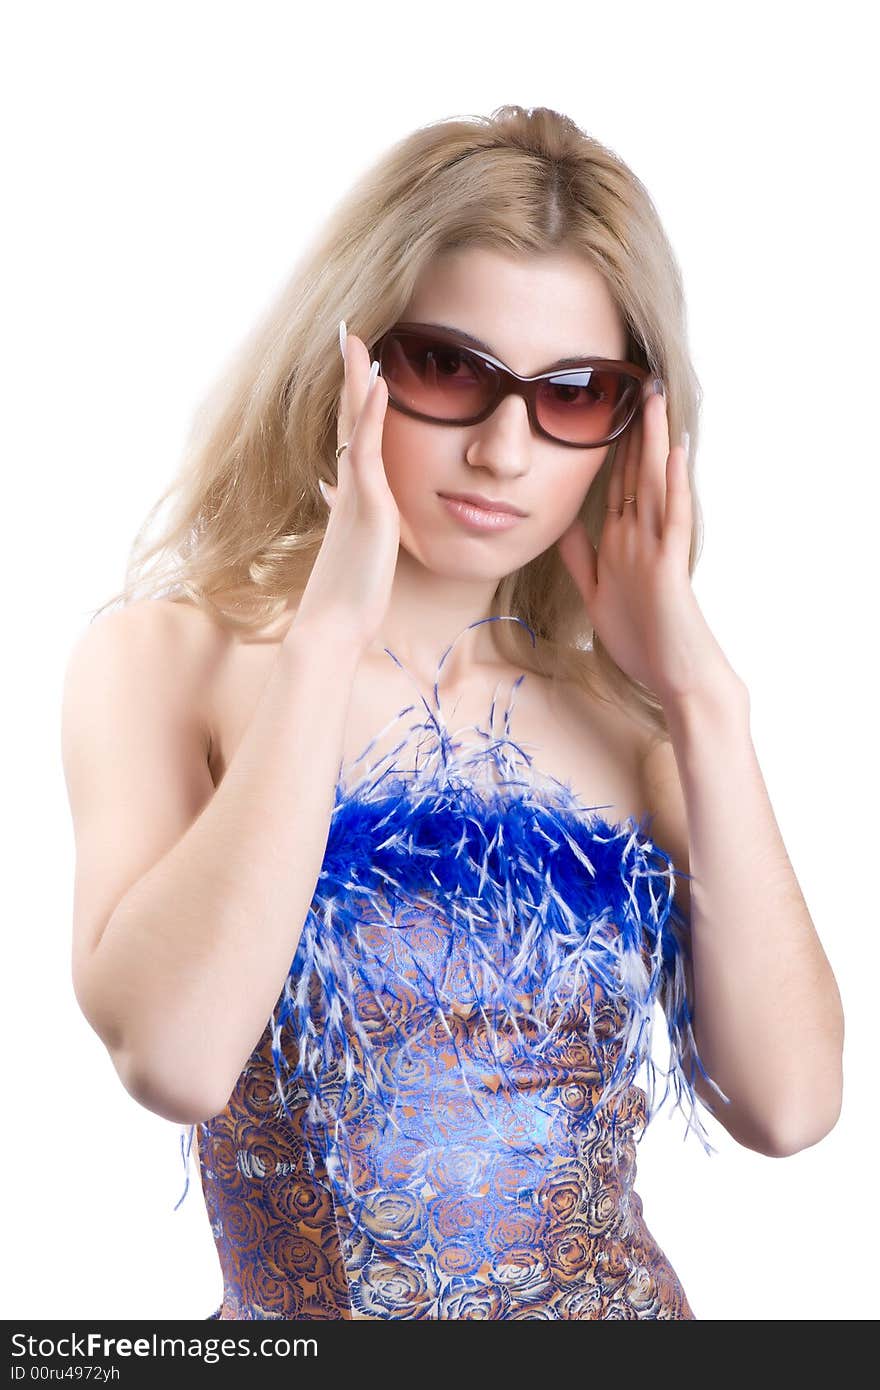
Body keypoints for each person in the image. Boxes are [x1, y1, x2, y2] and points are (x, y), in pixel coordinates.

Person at [61, 104, 844, 1321]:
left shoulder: (640, 727)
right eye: (447, 368)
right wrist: (325, 634)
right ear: (350, 361)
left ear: (631, 431)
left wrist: (706, 698)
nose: (503, 449)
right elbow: (173, 1057)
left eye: (574, 392)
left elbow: (792, 1108)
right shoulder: (168, 660)